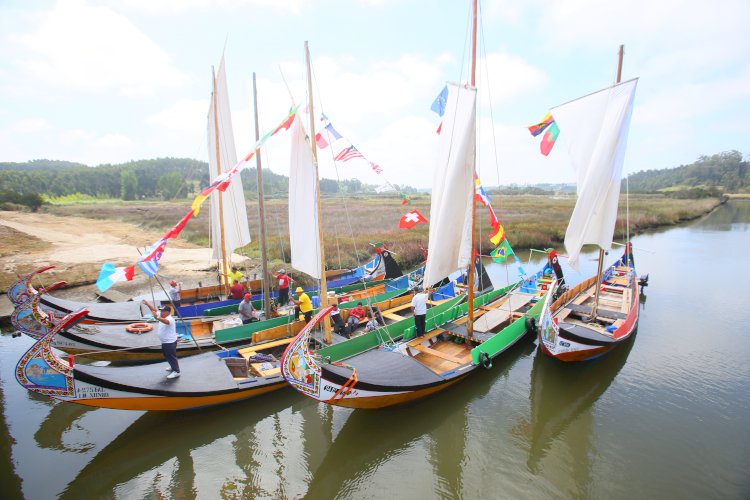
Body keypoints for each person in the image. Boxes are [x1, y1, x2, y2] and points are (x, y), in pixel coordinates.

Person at [142, 300, 180, 378]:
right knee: (166, 355)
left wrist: (157, 318)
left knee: (171, 356)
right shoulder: (162, 315)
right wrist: (147, 304)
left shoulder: (170, 319)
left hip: (170, 342)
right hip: (164, 342)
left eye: (163, 311)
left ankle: (176, 371)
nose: (161, 312)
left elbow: (166, 322)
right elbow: (154, 309)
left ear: (168, 312)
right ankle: (172, 366)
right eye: (161, 311)